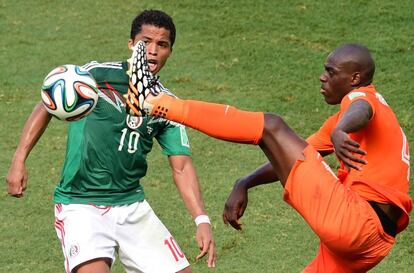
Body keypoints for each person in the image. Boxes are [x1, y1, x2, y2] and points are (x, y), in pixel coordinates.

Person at [125, 43, 411, 272]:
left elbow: (361, 109)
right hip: (372, 247)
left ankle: (152, 101)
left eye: (331, 71)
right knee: (278, 138)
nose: (323, 77)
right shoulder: (352, 120)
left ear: (355, 78)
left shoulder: (363, 98)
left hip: (356, 222)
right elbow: (291, 157)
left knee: (271, 125)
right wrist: (245, 182)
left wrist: (342, 129)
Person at [6, 9, 216, 273]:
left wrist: (202, 219)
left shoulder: (168, 106)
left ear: (170, 51)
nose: (152, 51)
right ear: (131, 44)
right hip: (80, 205)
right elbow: (49, 100)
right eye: (145, 42)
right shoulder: (97, 75)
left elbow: (182, 166)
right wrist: (19, 159)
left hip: (132, 205)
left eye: (162, 45)